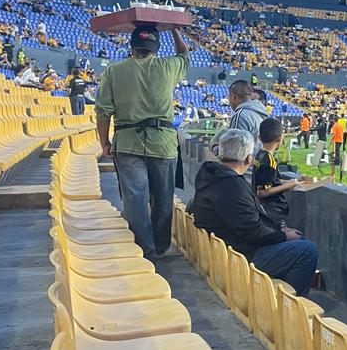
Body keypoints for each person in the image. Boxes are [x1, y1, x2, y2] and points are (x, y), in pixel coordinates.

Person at [96, 25, 189, 262]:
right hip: (163, 144)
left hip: (127, 143)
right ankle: (160, 246)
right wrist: (175, 30)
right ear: (156, 47)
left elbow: (103, 111)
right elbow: (184, 55)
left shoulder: (114, 71)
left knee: (135, 199)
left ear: (132, 46)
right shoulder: (168, 67)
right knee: (163, 198)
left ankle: (145, 250)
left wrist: (104, 142)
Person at [193, 129, 318, 296]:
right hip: (241, 255)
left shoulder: (210, 174)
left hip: (227, 251)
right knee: (307, 250)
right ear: (248, 158)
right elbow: (252, 231)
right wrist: (283, 236)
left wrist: (278, 230)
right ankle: (288, 307)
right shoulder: (232, 185)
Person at [254, 118, 310, 220]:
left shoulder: (260, 155)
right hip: (272, 211)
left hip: (264, 209)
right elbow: (262, 192)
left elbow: (270, 181)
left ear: (259, 138)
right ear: (280, 139)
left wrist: (294, 181)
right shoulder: (268, 161)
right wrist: (289, 185)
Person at [211, 79, 270, 157]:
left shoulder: (241, 115)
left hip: (245, 167)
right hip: (258, 163)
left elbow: (234, 151)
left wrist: (214, 147)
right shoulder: (261, 112)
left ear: (233, 96)